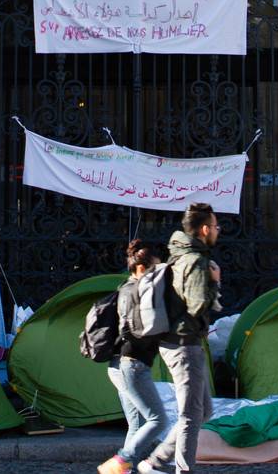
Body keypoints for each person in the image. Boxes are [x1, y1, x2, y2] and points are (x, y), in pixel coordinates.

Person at [138, 202, 221, 474]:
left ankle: (156, 460)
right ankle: (178, 468)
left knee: (203, 412)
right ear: (205, 229)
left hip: (176, 342)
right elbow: (197, 305)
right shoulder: (196, 261)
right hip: (185, 345)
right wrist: (215, 281)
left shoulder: (178, 254)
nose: (218, 231)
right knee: (190, 415)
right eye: (216, 226)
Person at [97, 239, 170, 474]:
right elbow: (132, 329)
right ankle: (122, 460)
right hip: (132, 364)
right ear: (142, 268)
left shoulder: (125, 288)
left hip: (119, 365)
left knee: (137, 424)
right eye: (155, 269)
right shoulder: (138, 290)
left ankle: (125, 470)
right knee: (158, 420)